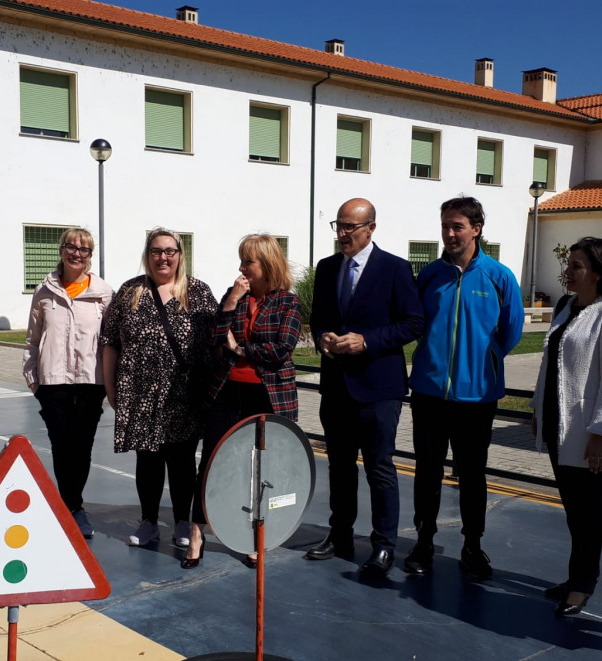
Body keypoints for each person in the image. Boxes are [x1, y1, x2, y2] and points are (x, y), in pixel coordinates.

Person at [305, 197, 424, 579]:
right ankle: (339, 535)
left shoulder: (394, 269)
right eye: (338, 226)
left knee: (379, 469)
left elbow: (412, 323)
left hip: (378, 388)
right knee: (339, 467)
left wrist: (366, 341)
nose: (342, 234)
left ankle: (384, 545)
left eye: (349, 228)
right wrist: (323, 336)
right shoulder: (326, 269)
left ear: (370, 228)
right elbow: (320, 316)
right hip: (336, 385)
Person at [406, 196, 524, 579]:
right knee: (427, 472)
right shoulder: (429, 276)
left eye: (458, 226)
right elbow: (416, 324)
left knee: (472, 474)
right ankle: (424, 542)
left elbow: (510, 333)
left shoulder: (499, 276)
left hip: (477, 397)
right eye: (445, 226)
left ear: (476, 229)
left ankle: (473, 546)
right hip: (428, 392)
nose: (450, 233)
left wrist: (481, 363)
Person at [183, 234, 301, 569]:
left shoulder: (286, 303)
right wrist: (232, 302)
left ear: (266, 264)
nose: (241, 268)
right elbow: (215, 337)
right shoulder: (235, 296)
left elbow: (281, 350)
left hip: (266, 394)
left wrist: (239, 349)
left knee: (259, 469)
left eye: (248, 261)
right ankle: (197, 533)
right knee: (211, 464)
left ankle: (254, 536)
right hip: (226, 390)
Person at [528, 237, 602, 616]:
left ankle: (583, 584)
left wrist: (601, 432)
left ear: (599, 273)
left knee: (588, 514)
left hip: (588, 433)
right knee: (574, 511)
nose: (568, 272)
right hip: (558, 425)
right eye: (569, 264)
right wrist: (538, 406)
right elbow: (549, 365)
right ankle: (577, 576)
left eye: (577, 266)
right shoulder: (566, 306)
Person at [101, 228, 217, 549]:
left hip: (183, 396)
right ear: (147, 255)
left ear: (180, 255)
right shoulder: (130, 292)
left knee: (182, 463)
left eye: (169, 251)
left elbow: (215, 342)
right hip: (140, 395)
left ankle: (182, 520)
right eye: (156, 251)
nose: (163, 257)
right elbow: (110, 342)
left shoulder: (198, 292)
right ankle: (149, 521)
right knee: (148, 461)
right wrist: (112, 389)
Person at [23, 228, 114, 539]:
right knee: (61, 446)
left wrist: (109, 383)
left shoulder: (103, 293)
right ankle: (71, 506)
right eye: (71, 247)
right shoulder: (44, 291)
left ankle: (72, 505)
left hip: (91, 383)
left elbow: (111, 343)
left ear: (90, 255)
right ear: (61, 250)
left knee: (82, 447)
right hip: (53, 383)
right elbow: (33, 339)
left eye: (84, 249)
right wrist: (33, 378)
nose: (77, 253)